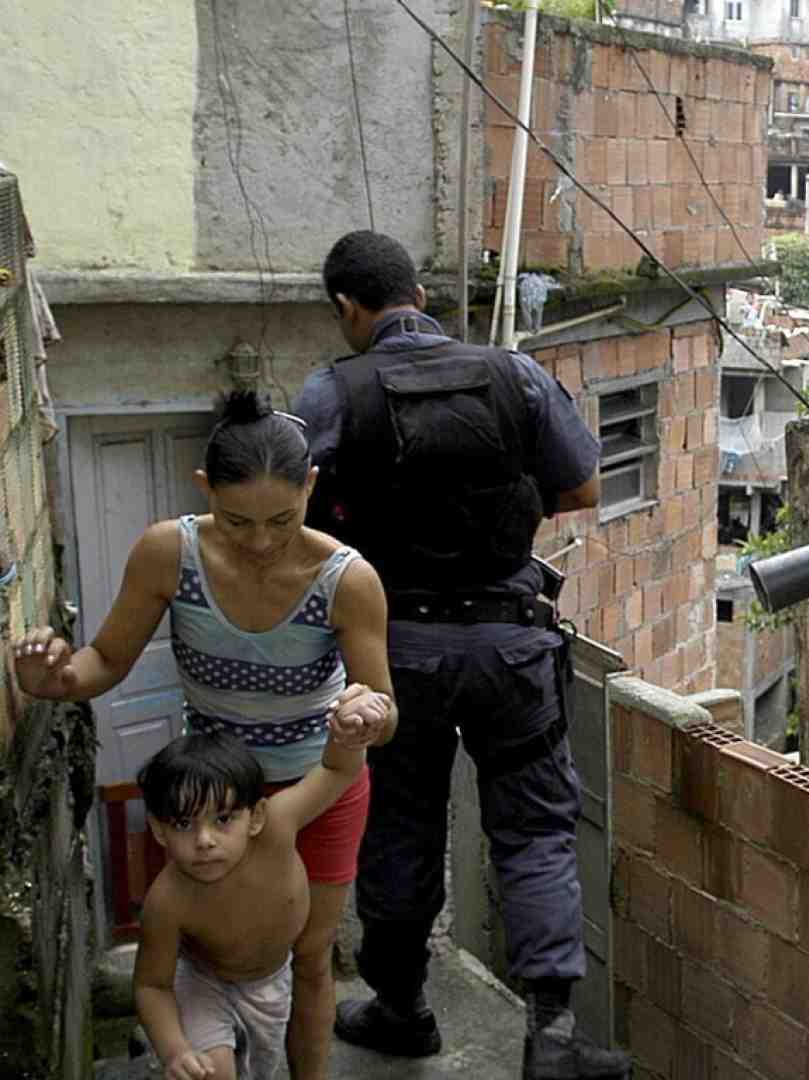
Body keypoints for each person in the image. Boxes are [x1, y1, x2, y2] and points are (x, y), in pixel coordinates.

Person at [295, 230, 628, 1080]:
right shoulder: (511, 373)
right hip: (512, 641)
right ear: (419, 293)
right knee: (536, 829)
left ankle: (403, 1010)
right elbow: (584, 486)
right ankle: (550, 1036)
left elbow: (292, 509)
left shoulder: (333, 390)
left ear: (348, 307)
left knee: (398, 823)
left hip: (395, 650)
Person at [11, 389, 397, 1080]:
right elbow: (104, 659)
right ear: (203, 490)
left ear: (311, 486)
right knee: (205, 950)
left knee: (311, 956)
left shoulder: (349, 579)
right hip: (210, 796)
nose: (258, 540)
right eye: (235, 518)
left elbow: (385, 706)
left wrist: (365, 715)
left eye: (281, 518)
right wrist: (56, 681)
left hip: (320, 784)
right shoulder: (169, 553)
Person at [130, 721, 378, 1080]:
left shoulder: (278, 825)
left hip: (270, 983)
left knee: (258, 1071)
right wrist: (175, 1050)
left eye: (223, 819)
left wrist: (349, 734)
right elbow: (152, 985)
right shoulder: (167, 900)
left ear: (255, 817)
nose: (205, 840)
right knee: (212, 1073)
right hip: (205, 983)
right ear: (159, 831)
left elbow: (338, 769)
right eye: (184, 824)